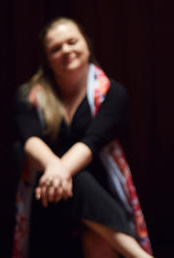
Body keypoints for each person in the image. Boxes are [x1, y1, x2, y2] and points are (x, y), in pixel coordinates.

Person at [13, 17, 153, 258]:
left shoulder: (112, 93)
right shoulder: (29, 96)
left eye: (72, 42)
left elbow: (92, 142)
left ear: (86, 44)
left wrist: (59, 172)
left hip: (99, 194)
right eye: (56, 48)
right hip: (48, 197)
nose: (66, 50)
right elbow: (30, 140)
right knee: (56, 168)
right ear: (47, 58)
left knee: (80, 183)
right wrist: (56, 169)